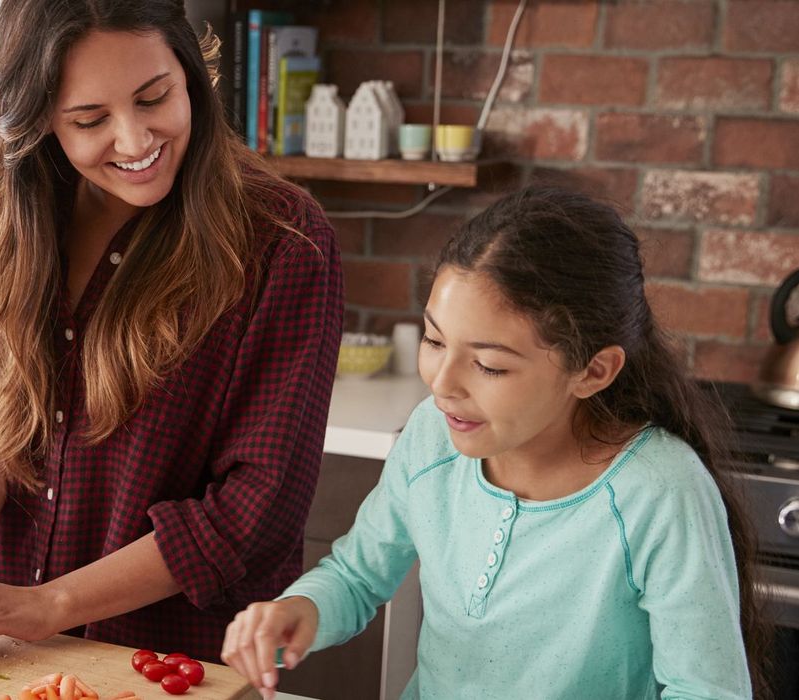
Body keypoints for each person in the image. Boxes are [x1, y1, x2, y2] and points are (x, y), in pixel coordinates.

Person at [0, 0, 342, 662]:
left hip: (177, 663)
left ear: (189, 74)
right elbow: (9, 402)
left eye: (154, 97)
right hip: (22, 656)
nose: (134, 140)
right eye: (90, 119)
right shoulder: (29, 217)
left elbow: (253, 511)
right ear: (39, 123)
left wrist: (52, 604)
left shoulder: (282, 241)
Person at [221, 187, 769, 699]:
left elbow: (707, 691)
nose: (442, 383)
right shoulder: (432, 437)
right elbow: (358, 574)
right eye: (435, 340)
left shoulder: (659, 492)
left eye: (488, 365)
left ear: (593, 370)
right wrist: (301, 609)